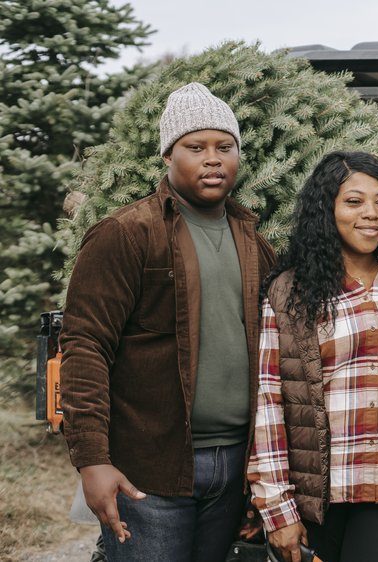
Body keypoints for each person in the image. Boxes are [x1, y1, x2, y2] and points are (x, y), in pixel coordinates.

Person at [60, 82, 277, 561]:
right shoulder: (127, 234)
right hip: (149, 472)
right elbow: (85, 346)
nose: (213, 159)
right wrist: (93, 460)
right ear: (167, 156)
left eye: (225, 147)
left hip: (234, 467)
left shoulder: (253, 241)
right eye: (195, 147)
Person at [247, 151, 378, 562]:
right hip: (318, 495)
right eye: (354, 201)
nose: (372, 214)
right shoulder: (290, 294)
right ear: (325, 210)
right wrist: (277, 508)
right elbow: (268, 402)